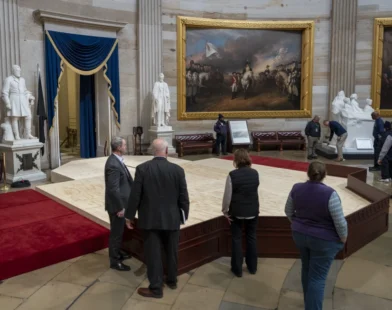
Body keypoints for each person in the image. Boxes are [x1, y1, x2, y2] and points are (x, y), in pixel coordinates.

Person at [125, 139, 190, 298]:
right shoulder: (178, 170)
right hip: (172, 218)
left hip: (150, 219)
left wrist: (129, 216)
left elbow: (135, 196)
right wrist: (182, 217)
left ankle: (156, 288)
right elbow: (184, 199)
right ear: (167, 151)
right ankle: (172, 281)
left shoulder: (142, 169)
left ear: (153, 151)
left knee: (153, 253)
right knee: (172, 251)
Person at [285, 161, 347, 310]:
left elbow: (288, 211)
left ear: (308, 173)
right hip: (323, 240)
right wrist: (343, 238)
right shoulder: (330, 194)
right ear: (325, 175)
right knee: (317, 278)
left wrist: (298, 224)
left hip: (300, 236)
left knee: (306, 268)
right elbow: (340, 222)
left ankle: (309, 303)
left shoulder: (296, 188)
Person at [222, 149, 259, 277]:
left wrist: (225, 211)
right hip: (253, 210)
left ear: (236, 160)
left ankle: (237, 269)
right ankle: (252, 267)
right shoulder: (255, 173)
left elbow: (228, 196)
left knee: (237, 239)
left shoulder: (232, 175)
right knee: (251, 238)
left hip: (237, 211)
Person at [104, 137, 133, 271]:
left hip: (121, 204)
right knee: (116, 233)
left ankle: (118, 253)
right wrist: (119, 207)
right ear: (119, 148)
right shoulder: (113, 164)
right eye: (125, 145)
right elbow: (113, 188)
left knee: (119, 232)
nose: (126, 147)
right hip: (117, 206)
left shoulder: (117, 160)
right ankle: (114, 261)